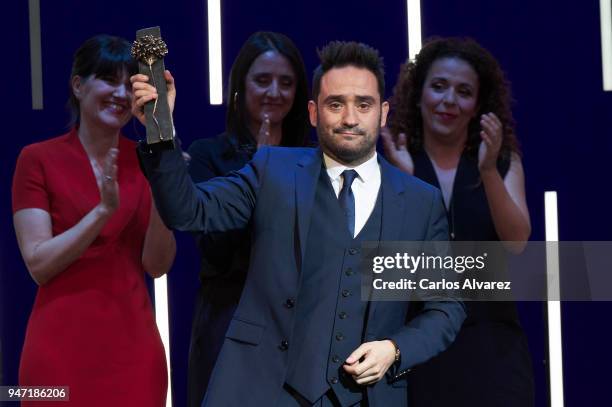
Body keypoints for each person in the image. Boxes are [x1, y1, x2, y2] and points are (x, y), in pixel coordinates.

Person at [133, 40, 465, 406]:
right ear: (312, 112)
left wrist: (395, 349)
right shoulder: (273, 171)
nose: (350, 118)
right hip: (262, 391)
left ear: (383, 112)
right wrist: (159, 127)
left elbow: (446, 308)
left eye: (364, 104)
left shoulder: (420, 202)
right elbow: (189, 211)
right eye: (335, 104)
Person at [12, 35, 175, 406]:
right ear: (78, 85)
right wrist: (102, 212)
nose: (120, 93)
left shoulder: (148, 160)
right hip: (55, 354)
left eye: (128, 84)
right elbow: (39, 264)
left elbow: (158, 264)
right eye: (108, 80)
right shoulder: (36, 159)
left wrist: (163, 172)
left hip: (134, 353)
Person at [381, 37, 533, 406]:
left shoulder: (501, 160)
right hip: (417, 347)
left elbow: (517, 241)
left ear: (478, 105)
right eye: (438, 87)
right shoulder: (394, 162)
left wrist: (487, 171)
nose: (449, 100)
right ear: (419, 96)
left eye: (464, 91)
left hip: (492, 349)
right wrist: (407, 182)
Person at [185, 31, 310, 406]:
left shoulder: (314, 160)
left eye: (286, 83)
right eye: (262, 80)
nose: (274, 91)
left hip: (296, 327)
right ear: (240, 87)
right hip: (227, 319)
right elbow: (217, 250)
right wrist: (262, 168)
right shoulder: (208, 156)